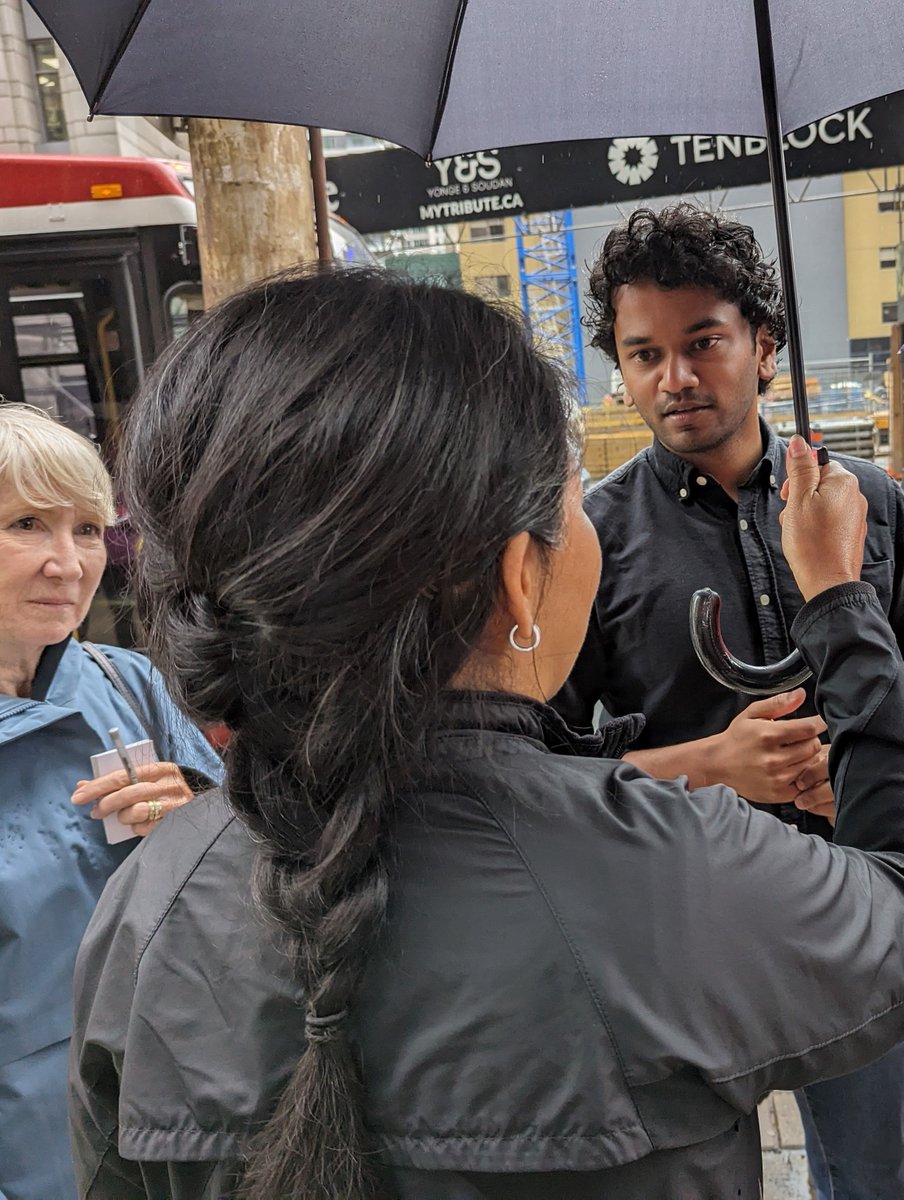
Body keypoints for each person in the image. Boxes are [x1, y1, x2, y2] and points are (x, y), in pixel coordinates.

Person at [70, 267, 904, 1200]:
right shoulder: (671, 873)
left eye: (703, 341)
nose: (675, 376)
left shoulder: (148, 901)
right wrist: (837, 602)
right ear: (519, 577)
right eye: (569, 497)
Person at [554, 204, 904, 1199]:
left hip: (856, 924)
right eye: (643, 352)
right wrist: (713, 765)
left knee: (876, 1174)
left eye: (702, 342)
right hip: (676, 945)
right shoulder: (588, 542)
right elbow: (543, 777)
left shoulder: (869, 508)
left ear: (763, 342)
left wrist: (868, 770)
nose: (674, 377)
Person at [0, 403, 222, 1200]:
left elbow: (258, 877)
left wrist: (200, 812)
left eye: (88, 529)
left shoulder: (130, 682)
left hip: (185, 1122)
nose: (67, 562)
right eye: (27, 524)